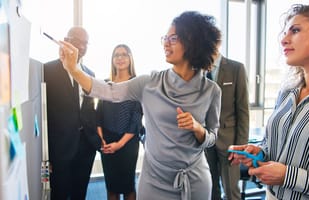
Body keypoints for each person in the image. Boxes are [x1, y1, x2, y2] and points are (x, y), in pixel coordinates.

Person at [60, 11, 222, 200]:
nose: (166, 43)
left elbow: (212, 137)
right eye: (165, 38)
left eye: (173, 38)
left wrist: (198, 129)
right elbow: (106, 90)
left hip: (194, 181)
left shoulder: (212, 91)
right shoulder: (149, 83)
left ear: (192, 42)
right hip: (154, 181)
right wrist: (74, 69)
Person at [228, 2, 309, 200]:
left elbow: (288, 172)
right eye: (284, 33)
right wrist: (259, 152)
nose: (284, 40)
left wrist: (288, 176)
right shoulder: (287, 93)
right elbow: (272, 144)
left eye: (295, 30)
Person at [44, 27, 101, 200]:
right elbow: (45, 112)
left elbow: (90, 109)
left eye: (85, 43)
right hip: (60, 148)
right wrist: (47, 153)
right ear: (65, 40)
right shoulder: (47, 70)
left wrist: (96, 139)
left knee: (80, 193)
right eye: (77, 41)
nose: (81, 46)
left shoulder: (90, 74)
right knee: (59, 193)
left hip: (86, 146)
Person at [205, 26, 249, 200]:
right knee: (210, 189)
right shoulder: (197, 70)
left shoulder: (236, 68)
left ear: (219, 42)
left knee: (231, 191)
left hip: (230, 142)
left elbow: (243, 111)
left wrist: (241, 147)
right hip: (205, 140)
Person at [97, 44, 143, 200]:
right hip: (107, 142)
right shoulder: (105, 84)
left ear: (130, 58)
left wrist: (120, 144)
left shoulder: (136, 84)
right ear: (112, 59)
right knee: (111, 187)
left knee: (128, 187)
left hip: (128, 142)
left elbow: (136, 118)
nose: (120, 58)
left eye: (124, 54)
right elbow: (99, 114)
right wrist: (101, 139)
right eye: (116, 55)